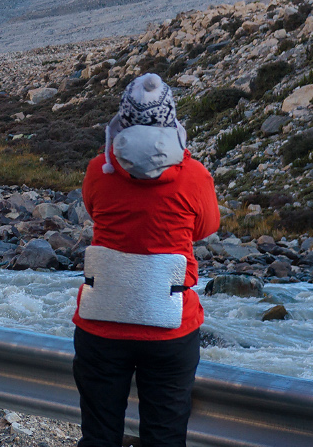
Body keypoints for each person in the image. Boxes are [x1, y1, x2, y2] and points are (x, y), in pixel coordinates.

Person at [72, 73, 219, 447]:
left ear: (122, 121)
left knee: (99, 437)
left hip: (101, 325)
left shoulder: (98, 171)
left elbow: (93, 211)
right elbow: (205, 228)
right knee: (165, 438)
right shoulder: (195, 176)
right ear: (171, 123)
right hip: (170, 327)